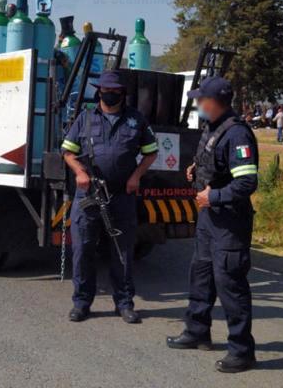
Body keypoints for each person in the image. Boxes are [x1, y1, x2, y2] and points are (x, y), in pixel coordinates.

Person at [166, 76, 258, 373]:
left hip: (229, 221)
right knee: (201, 275)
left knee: (230, 284)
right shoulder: (213, 128)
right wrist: (196, 170)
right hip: (208, 218)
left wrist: (214, 196)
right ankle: (197, 332)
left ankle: (242, 351)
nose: (197, 104)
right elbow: (210, 160)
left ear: (214, 102)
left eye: (200, 99)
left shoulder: (237, 135)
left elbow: (247, 182)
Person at [61, 71, 159, 324]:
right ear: (99, 91)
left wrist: (136, 176)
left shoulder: (135, 120)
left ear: (123, 93)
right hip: (89, 194)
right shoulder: (85, 118)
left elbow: (150, 153)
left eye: (116, 90)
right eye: (107, 89)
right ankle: (81, 303)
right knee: (83, 250)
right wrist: (80, 172)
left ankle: (124, 303)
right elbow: (68, 152)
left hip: (121, 195)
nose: (111, 93)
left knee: (122, 252)